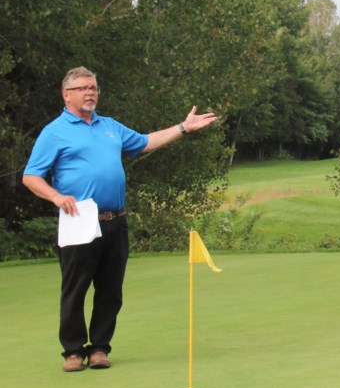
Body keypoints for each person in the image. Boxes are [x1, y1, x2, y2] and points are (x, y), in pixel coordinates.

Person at [22, 66, 218, 372]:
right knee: (75, 289)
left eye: (94, 88)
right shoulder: (55, 132)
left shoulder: (110, 126)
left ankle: (99, 348)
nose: (91, 93)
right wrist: (56, 197)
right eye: (83, 88)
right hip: (79, 220)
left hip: (115, 220)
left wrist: (183, 127)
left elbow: (144, 142)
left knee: (110, 289)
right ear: (66, 95)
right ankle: (73, 351)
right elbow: (31, 176)